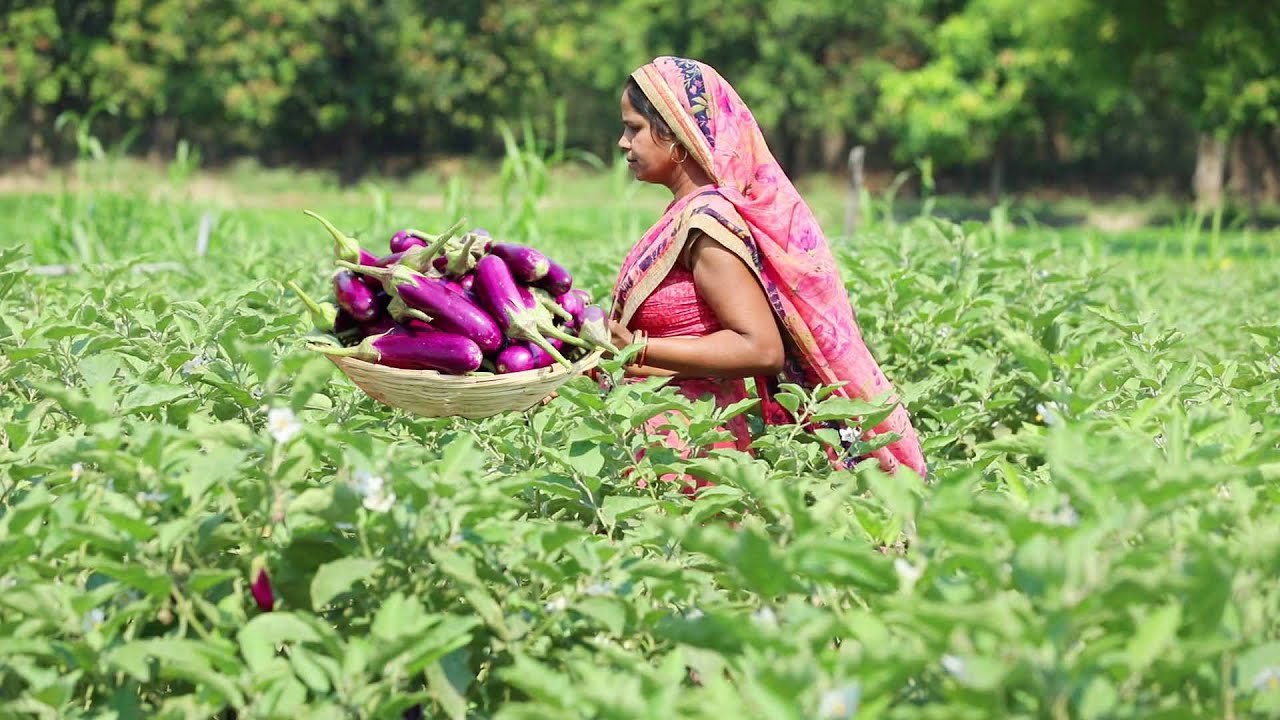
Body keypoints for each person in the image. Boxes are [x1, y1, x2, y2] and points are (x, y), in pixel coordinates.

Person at [606, 56, 927, 482]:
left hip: (693, 450)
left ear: (675, 133)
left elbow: (759, 349)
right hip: (663, 442)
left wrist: (635, 349)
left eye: (634, 128)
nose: (623, 142)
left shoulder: (707, 224)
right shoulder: (685, 215)